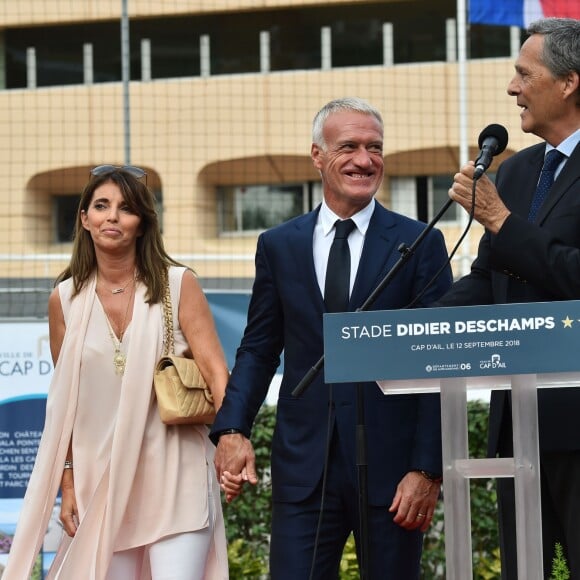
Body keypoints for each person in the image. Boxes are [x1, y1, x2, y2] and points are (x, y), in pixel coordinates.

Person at [210, 97, 453, 579]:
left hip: (395, 478)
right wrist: (232, 428)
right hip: (304, 469)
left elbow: (438, 360)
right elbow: (259, 347)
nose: (365, 160)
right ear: (317, 156)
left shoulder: (421, 241)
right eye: (349, 146)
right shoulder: (279, 245)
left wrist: (427, 469)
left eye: (375, 147)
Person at [4, 165, 231, 579]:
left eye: (126, 209)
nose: (112, 217)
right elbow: (67, 406)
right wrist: (68, 485)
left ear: (142, 222)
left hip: (175, 473)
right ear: (84, 219)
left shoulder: (178, 284)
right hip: (100, 483)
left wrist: (233, 442)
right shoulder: (65, 299)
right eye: (101, 206)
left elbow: (218, 376)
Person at [435, 17, 580, 579]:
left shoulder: (500, 196)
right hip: (517, 429)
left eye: (524, 74)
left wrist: (499, 219)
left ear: (568, 83)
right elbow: (488, 280)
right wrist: (409, 324)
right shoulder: (516, 169)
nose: (512, 88)